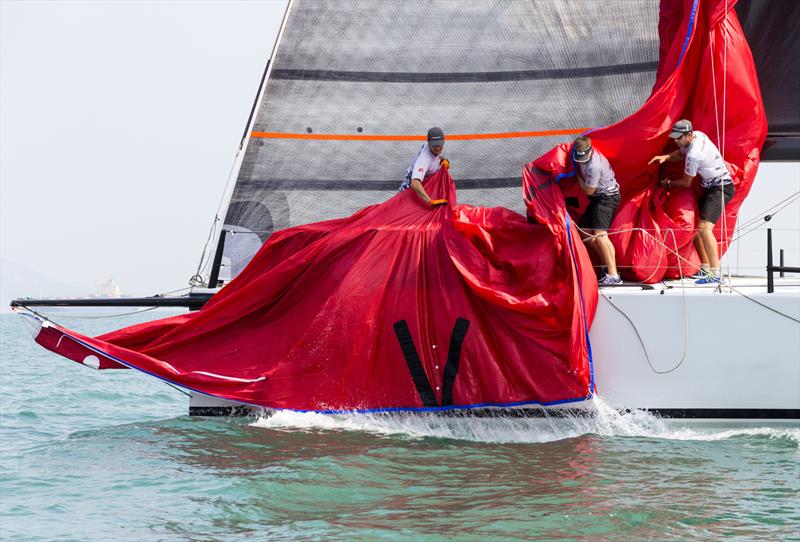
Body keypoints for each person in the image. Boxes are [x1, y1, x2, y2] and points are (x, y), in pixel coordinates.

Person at [649, 119, 735, 284]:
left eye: (678, 137)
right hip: (711, 186)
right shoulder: (698, 135)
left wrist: (667, 184)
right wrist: (666, 157)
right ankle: (705, 266)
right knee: (697, 226)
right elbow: (681, 152)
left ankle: (716, 273)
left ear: (688, 134)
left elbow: (685, 182)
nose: (675, 140)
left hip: (721, 187)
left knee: (704, 228)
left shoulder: (695, 155)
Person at [573, 136, 622, 286]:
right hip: (598, 197)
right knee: (585, 231)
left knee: (600, 235)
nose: (581, 160)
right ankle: (607, 265)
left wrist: (577, 177)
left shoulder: (594, 166)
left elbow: (589, 190)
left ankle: (614, 276)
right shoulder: (580, 152)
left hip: (607, 197)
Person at [400, 127, 449, 206]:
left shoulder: (434, 146)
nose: (438, 148)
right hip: (411, 188)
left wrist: (442, 160)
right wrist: (430, 201)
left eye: (440, 145)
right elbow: (415, 182)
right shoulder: (424, 160)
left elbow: (438, 153)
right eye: (435, 146)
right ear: (429, 143)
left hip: (425, 183)